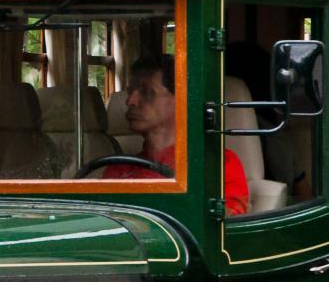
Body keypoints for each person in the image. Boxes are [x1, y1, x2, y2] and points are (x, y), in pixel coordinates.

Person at [103, 55, 249, 214]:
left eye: (147, 92)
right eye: (130, 92)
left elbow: (223, 224)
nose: (130, 101)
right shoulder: (118, 168)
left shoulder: (216, 165)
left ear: (181, 100)